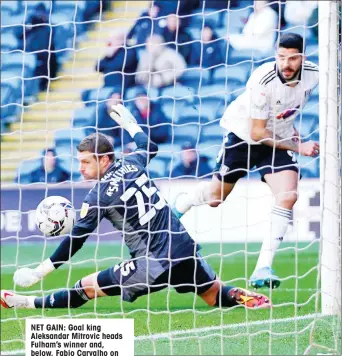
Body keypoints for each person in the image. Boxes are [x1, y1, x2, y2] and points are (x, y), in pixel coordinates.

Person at [1, 105, 271, 311]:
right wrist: (131, 124)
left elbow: (75, 241)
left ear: (104, 159)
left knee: (87, 287)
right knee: (213, 293)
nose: (80, 168)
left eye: (85, 162)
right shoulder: (133, 163)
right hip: (182, 245)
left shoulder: (99, 196)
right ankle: (244, 296)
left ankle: (24, 302)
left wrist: (40, 272)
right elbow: (148, 145)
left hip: (152, 262)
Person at [173, 33, 319, 289]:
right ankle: (183, 200)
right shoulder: (264, 80)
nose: (286, 64)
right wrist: (299, 145)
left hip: (278, 139)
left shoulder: (315, 74)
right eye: (281, 57)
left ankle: (263, 267)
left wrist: (292, 132)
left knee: (288, 195)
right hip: (244, 136)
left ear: (302, 58)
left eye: (292, 58)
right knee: (216, 198)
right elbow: (257, 133)